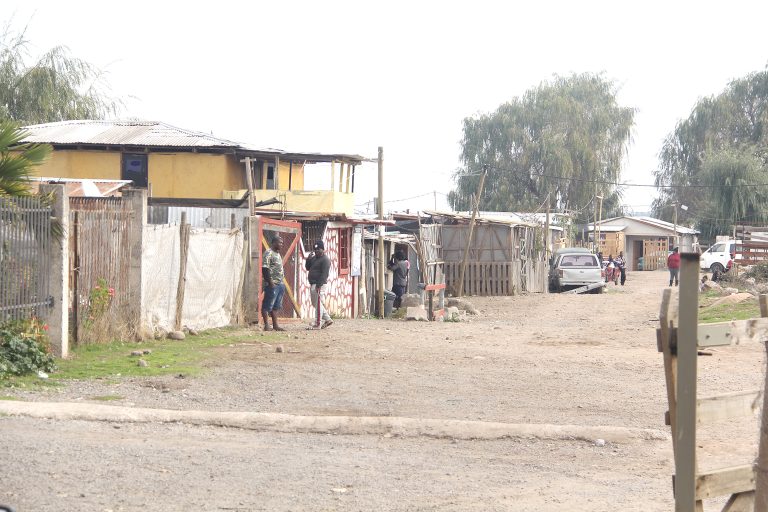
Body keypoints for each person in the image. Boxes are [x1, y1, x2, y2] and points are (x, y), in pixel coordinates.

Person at [305, 240, 333, 329]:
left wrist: (319, 284)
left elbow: (325, 274)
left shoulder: (325, 260)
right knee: (316, 303)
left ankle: (317, 323)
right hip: (313, 283)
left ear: (323, 249)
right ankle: (328, 319)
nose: (316, 251)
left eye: (318, 249)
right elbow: (307, 267)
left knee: (318, 303)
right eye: (315, 250)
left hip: (319, 284)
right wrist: (308, 259)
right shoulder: (314, 258)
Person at [261, 236, 285, 331]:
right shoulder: (268, 253)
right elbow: (265, 268)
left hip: (280, 284)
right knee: (267, 305)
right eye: (280, 242)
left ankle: (275, 325)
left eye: (282, 243)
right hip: (272, 284)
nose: (281, 245)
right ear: (274, 243)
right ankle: (266, 325)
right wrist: (270, 282)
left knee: (276, 306)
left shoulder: (278, 254)